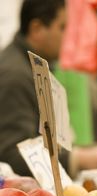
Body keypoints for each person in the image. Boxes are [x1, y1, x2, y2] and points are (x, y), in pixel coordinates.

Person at [0, 0, 69, 176]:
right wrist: (75, 160)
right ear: (37, 28)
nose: (67, 36)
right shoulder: (16, 75)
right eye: (62, 27)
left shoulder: (31, 68)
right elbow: (13, 155)